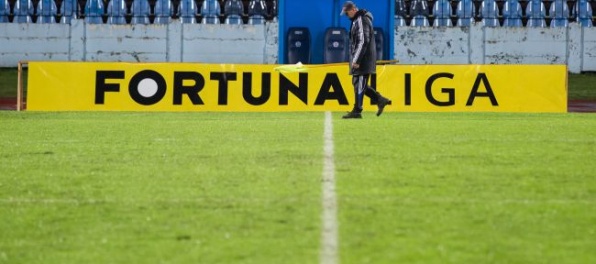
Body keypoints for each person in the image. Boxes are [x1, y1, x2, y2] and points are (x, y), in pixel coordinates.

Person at [340, 1, 392, 119]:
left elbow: (363, 41)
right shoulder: (358, 19)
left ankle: (357, 110)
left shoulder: (361, 20)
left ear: (353, 10)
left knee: (360, 84)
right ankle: (380, 100)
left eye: (347, 13)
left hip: (364, 58)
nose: (347, 16)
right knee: (357, 83)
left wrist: (357, 60)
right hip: (362, 57)